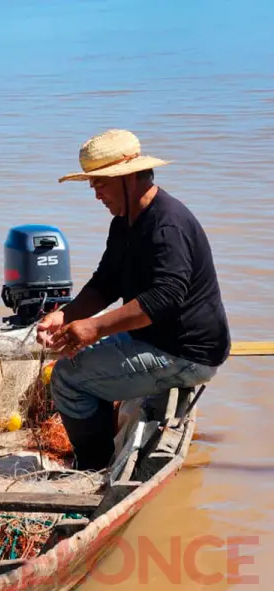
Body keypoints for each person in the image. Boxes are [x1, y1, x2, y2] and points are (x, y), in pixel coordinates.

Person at [37, 129, 230, 471]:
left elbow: (165, 298)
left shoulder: (166, 226)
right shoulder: (125, 223)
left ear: (129, 177)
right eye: (93, 184)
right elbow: (105, 283)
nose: (96, 193)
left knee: (66, 378)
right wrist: (65, 317)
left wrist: (95, 328)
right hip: (156, 339)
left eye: (101, 183)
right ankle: (106, 444)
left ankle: (93, 468)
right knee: (77, 361)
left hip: (187, 352)